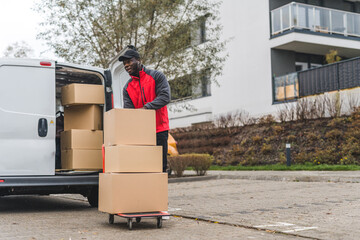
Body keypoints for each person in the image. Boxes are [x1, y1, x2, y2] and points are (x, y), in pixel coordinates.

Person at [119, 46, 171, 173]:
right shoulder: (127, 88)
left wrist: (146, 108)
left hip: (159, 129)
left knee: (159, 167)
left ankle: (158, 192)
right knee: (144, 167)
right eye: (125, 63)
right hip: (140, 133)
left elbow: (165, 97)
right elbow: (129, 113)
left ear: (138, 60)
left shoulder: (156, 76)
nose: (126, 65)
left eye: (129, 61)